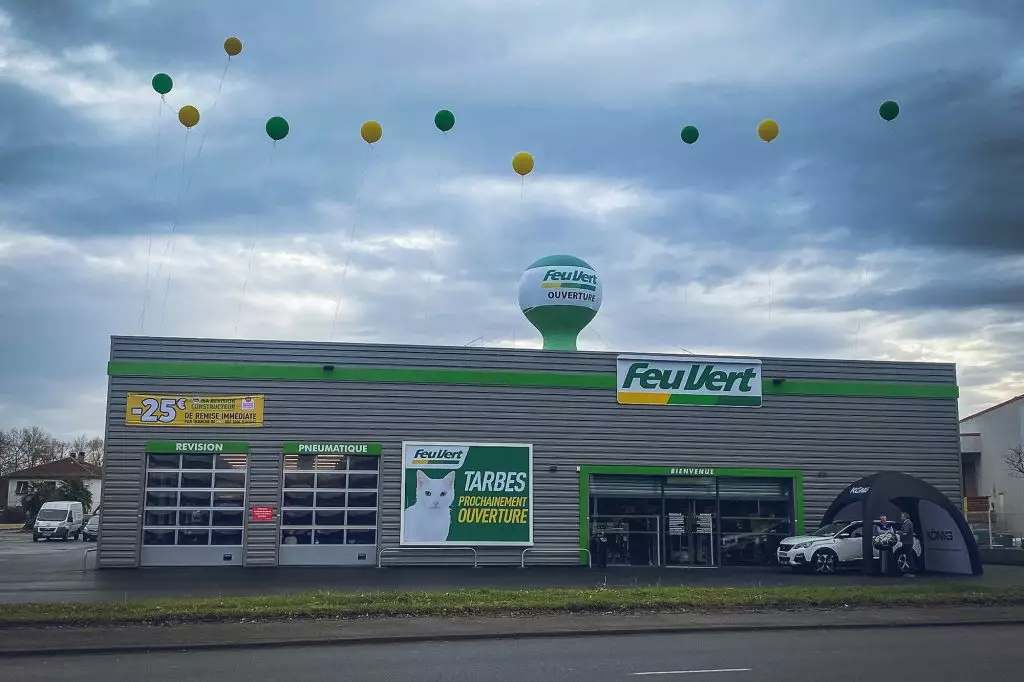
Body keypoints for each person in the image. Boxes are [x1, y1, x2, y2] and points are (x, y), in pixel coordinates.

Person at [899, 512, 917, 577]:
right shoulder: (908, 523)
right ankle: (910, 572)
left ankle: (912, 572)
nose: (901, 517)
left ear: (905, 517)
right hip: (908, 542)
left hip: (907, 542)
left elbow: (905, 533)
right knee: (908, 556)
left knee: (909, 557)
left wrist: (898, 532)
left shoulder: (907, 523)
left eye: (902, 516)